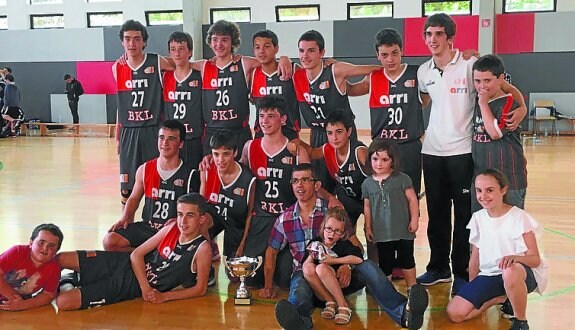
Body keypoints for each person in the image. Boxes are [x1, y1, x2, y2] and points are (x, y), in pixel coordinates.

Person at [415, 13, 527, 294]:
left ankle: (462, 272)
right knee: (437, 214)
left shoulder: (468, 64)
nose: (433, 40)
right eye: (428, 34)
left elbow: (501, 83)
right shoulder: (423, 72)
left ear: (450, 38)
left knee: (464, 216)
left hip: (463, 153)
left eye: (439, 34)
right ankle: (438, 267)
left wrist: (522, 105)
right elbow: (425, 97)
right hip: (432, 152)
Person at [268, 163, 429, 330]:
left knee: (367, 266)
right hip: (308, 279)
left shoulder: (333, 213)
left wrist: (345, 265)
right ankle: (298, 323)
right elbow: (271, 252)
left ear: (316, 185)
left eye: (305, 180)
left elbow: (356, 247)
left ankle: (405, 313)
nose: (299, 185)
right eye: (295, 181)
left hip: (340, 276)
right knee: (298, 292)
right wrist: (267, 285)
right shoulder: (283, 219)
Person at [55, 193, 212, 310]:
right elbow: (136, 254)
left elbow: (200, 289)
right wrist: (146, 288)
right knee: (61, 259)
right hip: (123, 263)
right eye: (179, 215)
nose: (183, 221)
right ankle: (77, 277)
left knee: (63, 302)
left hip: (129, 285)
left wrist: (164, 296)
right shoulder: (171, 228)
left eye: (190, 216)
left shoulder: (202, 248)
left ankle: (71, 279)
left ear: (201, 219)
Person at [446, 169, 547, 330]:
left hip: (520, 274)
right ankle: (500, 298)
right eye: (479, 191)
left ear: (503, 190)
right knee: (455, 313)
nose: (483, 196)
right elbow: (475, 259)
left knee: (509, 271)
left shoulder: (519, 217)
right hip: (490, 275)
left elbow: (535, 260)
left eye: (490, 190)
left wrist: (515, 258)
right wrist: (475, 290)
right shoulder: (478, 218)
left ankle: (520, 321)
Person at [293, 29, 381, 194]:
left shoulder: (335, 70)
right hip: (318, 133)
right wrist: (283, 58)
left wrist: (367, 82)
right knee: (321, 184)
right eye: (301, 50)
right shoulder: (297, 75)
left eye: (311, 50)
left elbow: (375, 70)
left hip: (343, 133)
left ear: (322, 52)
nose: (305, 55)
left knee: (352, 183)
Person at [240, 95, 310, 288]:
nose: (265, 121)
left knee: (286, 279)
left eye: (271, 116)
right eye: (261, 116)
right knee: (251, 278)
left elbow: (308, 190)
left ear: (283, 119)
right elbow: (238, 176)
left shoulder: (296, 151)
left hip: (287, 219)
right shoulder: (250, 147)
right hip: (261, 217)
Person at [103, 120, 198, 252]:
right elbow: (134, 198)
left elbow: (195, 211)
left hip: (173, 230)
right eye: (161, 138)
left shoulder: (190, 174)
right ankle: (149, 256)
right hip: (147, 227)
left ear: (181, 144)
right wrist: (125, 217)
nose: (165, 143)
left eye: (171, 139)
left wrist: (178, 222)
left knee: (182, 248)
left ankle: (146, 255)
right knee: (110, 241)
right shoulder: (145, 169)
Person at [113, 19, 174, 205]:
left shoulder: (156, 61)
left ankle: (153, 222)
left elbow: (180, 64)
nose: (132, 43)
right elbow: (120, 104)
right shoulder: (117, 67)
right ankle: (125, 224)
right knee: (126, 186)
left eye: (137, 39)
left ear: (144, 42)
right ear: (122, 42)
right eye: (128, 39)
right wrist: (117, 136)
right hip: (129, 131)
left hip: (152, 129)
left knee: (154, 181)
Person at [471, 54, 528, 212]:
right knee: (483, 227)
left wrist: (482, 104)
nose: (482, 86)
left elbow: (494, 133)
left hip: (509, 180)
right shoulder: (480, 97)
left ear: (500, 79)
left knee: (510, 229)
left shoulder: (509, 103)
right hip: (482, 180)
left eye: (487, 81)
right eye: (477, 81)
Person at [362, 139, 420, 289]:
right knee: (385, 262)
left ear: (393, 161)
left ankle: (412, 289)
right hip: (382, 232)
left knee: (406, 259)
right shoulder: (367, 184)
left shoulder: (402, 179)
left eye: (384, 159)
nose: (379, 163)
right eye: (375, 159)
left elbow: (413, 200)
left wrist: (414, 220)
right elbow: (367, 207)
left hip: (403, 231)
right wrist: (368, 227)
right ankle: (387, 292)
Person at [298, 110, 368, 231]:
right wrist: (296, 142)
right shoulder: (328, 149)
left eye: (339, 132)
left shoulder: (360, 152)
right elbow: (311, 152)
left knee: (371, 235)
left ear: (349, 132)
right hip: (347, 199)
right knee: (343, 234)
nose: (334, 138)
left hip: (368, 200)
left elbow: (378, 179)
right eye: (330, 133)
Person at [200, 129, 256, 260]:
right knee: (198, 223)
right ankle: (208, 257)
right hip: (214, 219)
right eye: (216, 154)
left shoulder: (248, 179)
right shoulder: (207, 170)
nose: (220, 160)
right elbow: (199, 207)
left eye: (226, 154)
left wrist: (243, 244)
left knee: (234, 275)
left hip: (236, 223)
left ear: (235, 152)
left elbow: (250, 216)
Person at [302, 208, 363, 325]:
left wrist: (334, 261)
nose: (331, 234)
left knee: (321, 267)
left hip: (340, 284)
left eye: (337, 231)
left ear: (342, 234)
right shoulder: (316, 242)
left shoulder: (343, 244)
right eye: (329, 229)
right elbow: (305, 267)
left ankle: (343, 305)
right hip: (320, 291)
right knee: (308, 267)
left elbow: (359, 258)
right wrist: (312, 253)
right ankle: (330, 301)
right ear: (323, 227)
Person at [163, 31, 204, 170]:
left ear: (190, 52)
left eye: (181, 49)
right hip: (172, 139)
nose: (177, 53)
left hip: (194, 138)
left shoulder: (200, 76)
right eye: (173, 50)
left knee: (194, 179)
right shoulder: (164, 77)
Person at [250, 29, 301, 141]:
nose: (262, 51)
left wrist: (285, 58)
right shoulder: (252, 74)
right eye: (257, 47)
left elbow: (313, 75)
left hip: (288, 134)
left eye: (267, 46)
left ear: (276, 48)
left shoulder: (292, 69)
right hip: (262, 135)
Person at [0, 224, 64, 311]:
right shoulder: (17, 252)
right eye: (41, 243)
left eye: (51, 246)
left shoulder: (54, 269)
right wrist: (15, 298)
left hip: (15, 303)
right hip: (14, 299)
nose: (45, 248)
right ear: (31, 243)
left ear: (56, 250)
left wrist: (22, 305)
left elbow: (48, 295)